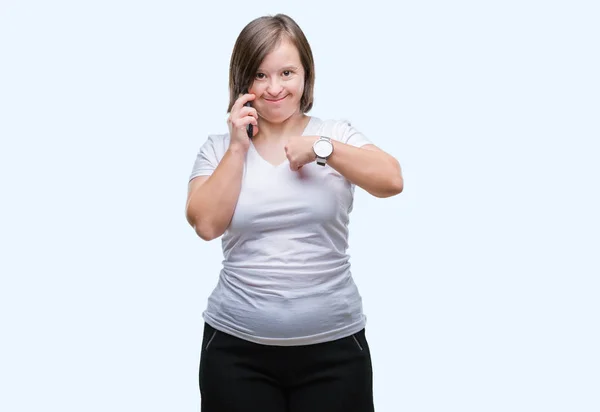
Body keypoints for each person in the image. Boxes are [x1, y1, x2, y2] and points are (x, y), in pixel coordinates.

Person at [185, 13, 403, 412]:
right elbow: (206, 224)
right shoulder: (217, 148)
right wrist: (238, 147)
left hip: (336, 351)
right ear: (242, 80)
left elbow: (392, 180)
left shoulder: (335, 133)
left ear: (306, 75)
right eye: (260, 75)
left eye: (286, 72)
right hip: (235, 354)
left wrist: (324, 149)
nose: (274, 88)